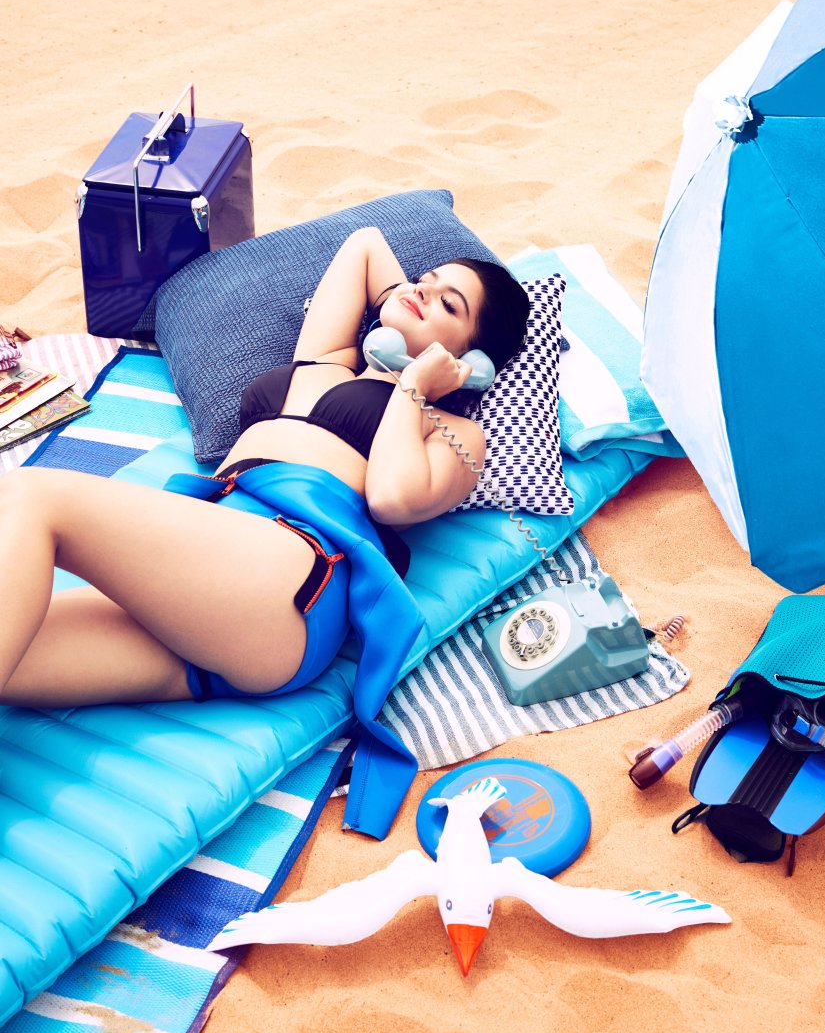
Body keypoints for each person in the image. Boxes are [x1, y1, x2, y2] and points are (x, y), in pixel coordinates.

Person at [0, 226, 530, 716]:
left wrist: (414, 385)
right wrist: (406, 299)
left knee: (32, 497)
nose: (421, 292)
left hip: (290, 578)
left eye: (448, 304)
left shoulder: (453, 432)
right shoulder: (328, 359)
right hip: (210, 588)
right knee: (15, 653)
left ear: (473, 360)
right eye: (423, 280)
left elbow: (393, 499)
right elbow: (364, 244)